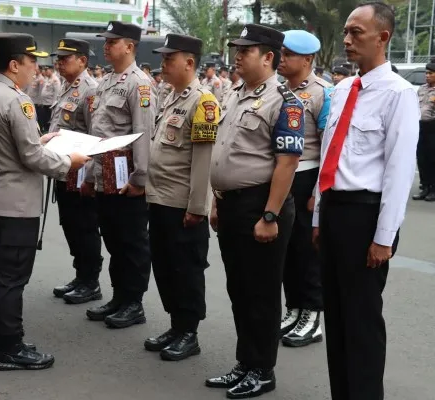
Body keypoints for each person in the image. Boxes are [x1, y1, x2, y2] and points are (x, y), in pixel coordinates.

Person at [312, 3, 419, 399]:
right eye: (345, 31)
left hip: (366, 216)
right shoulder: (341, 90)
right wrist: (318, 217)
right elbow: (329, 157)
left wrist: (384, 237)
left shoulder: (399, 94)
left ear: (383, 37)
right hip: (336, 211)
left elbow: (399, 170)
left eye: (357, 32)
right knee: (337, 318)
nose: (347, 39)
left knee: (361, 322)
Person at [0, 33, 90, 371]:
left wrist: (40, 139)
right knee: (12, 278)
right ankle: (11, 347)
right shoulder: (18, 101)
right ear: (14, 65)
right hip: (17, 202)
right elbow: (31, 158)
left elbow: (14, 145)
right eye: (31, 62)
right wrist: (70, 163)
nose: (36, 70)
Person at [205, 24, 304, 399]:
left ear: (268, 57)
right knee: (239, 290)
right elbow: (226, 153)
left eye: (246, 50)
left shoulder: (285, 102)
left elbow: (287, 163)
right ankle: (244, 363)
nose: (238, 55)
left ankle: (262, 370)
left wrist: (270, 216)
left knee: (261, 294)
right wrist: (217, 199)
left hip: (261, 206)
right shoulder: (233, 94)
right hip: (231, 205)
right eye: (237, 49)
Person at [144, 33, 218, 362]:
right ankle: (175, 325)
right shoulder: (172, 98)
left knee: (185, 269)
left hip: (182, 204)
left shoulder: (203, 102)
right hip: (159, 198)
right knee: (163, 265)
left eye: (168, 59)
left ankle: (189, 331)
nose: (163, 65)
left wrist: (198, 208)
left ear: (189, 63)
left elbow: (203, 161)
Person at [81, 21, 155, 329]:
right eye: (105, 41)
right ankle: (119, 296)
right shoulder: (106, 81)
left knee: (131, 242)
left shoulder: (140, 84)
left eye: (113, 42)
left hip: (126, 180)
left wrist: (140, 179)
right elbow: (96, 133)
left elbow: (143, 133)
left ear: (130, 46)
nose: (106, 46)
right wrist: (88, 175)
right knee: (112, 239)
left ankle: (133, 302)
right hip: (104, 176)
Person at [277, 30, 333, 348]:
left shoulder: (324, 94)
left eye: (288, 55)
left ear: (308, 59)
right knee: (285, 249)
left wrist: (318, 193)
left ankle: (312, 316)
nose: (281, 60)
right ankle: (294, 308)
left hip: (307, 178)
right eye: (281, 54)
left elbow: (327, 147)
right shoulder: (278, 89)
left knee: (306, 251)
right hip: (281, 178)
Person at [48, 38, 104, 304]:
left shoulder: (90, 90)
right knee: (70, 223)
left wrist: (91, 176)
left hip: (80, 169)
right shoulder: (66, 87)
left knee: (84, 225)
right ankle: (81, 275)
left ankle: (90, 280)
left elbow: (96, 136)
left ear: (82, 61)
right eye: (58, 59)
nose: (59, 63)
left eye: (65, 58)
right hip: (63, 168)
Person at [412, 61, 435, 201]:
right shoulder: (422, 89)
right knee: (422, 158)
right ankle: (425, 186)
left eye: (430, 73)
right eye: (426, 73)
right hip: (421, 127)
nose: (427, 76)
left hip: (433, 127)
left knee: (433, 159)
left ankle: (433, 188)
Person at [36, 64, 61, 132]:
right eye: (45, 70)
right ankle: (46, 131)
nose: (45, 71)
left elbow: (57, 94)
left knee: (49, 121)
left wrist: (53, 106)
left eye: (47, 70)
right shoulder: (47, 79)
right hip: (45, 104)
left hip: (50, 105)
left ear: (52, 70)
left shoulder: (55, 80)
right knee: (45, 120)